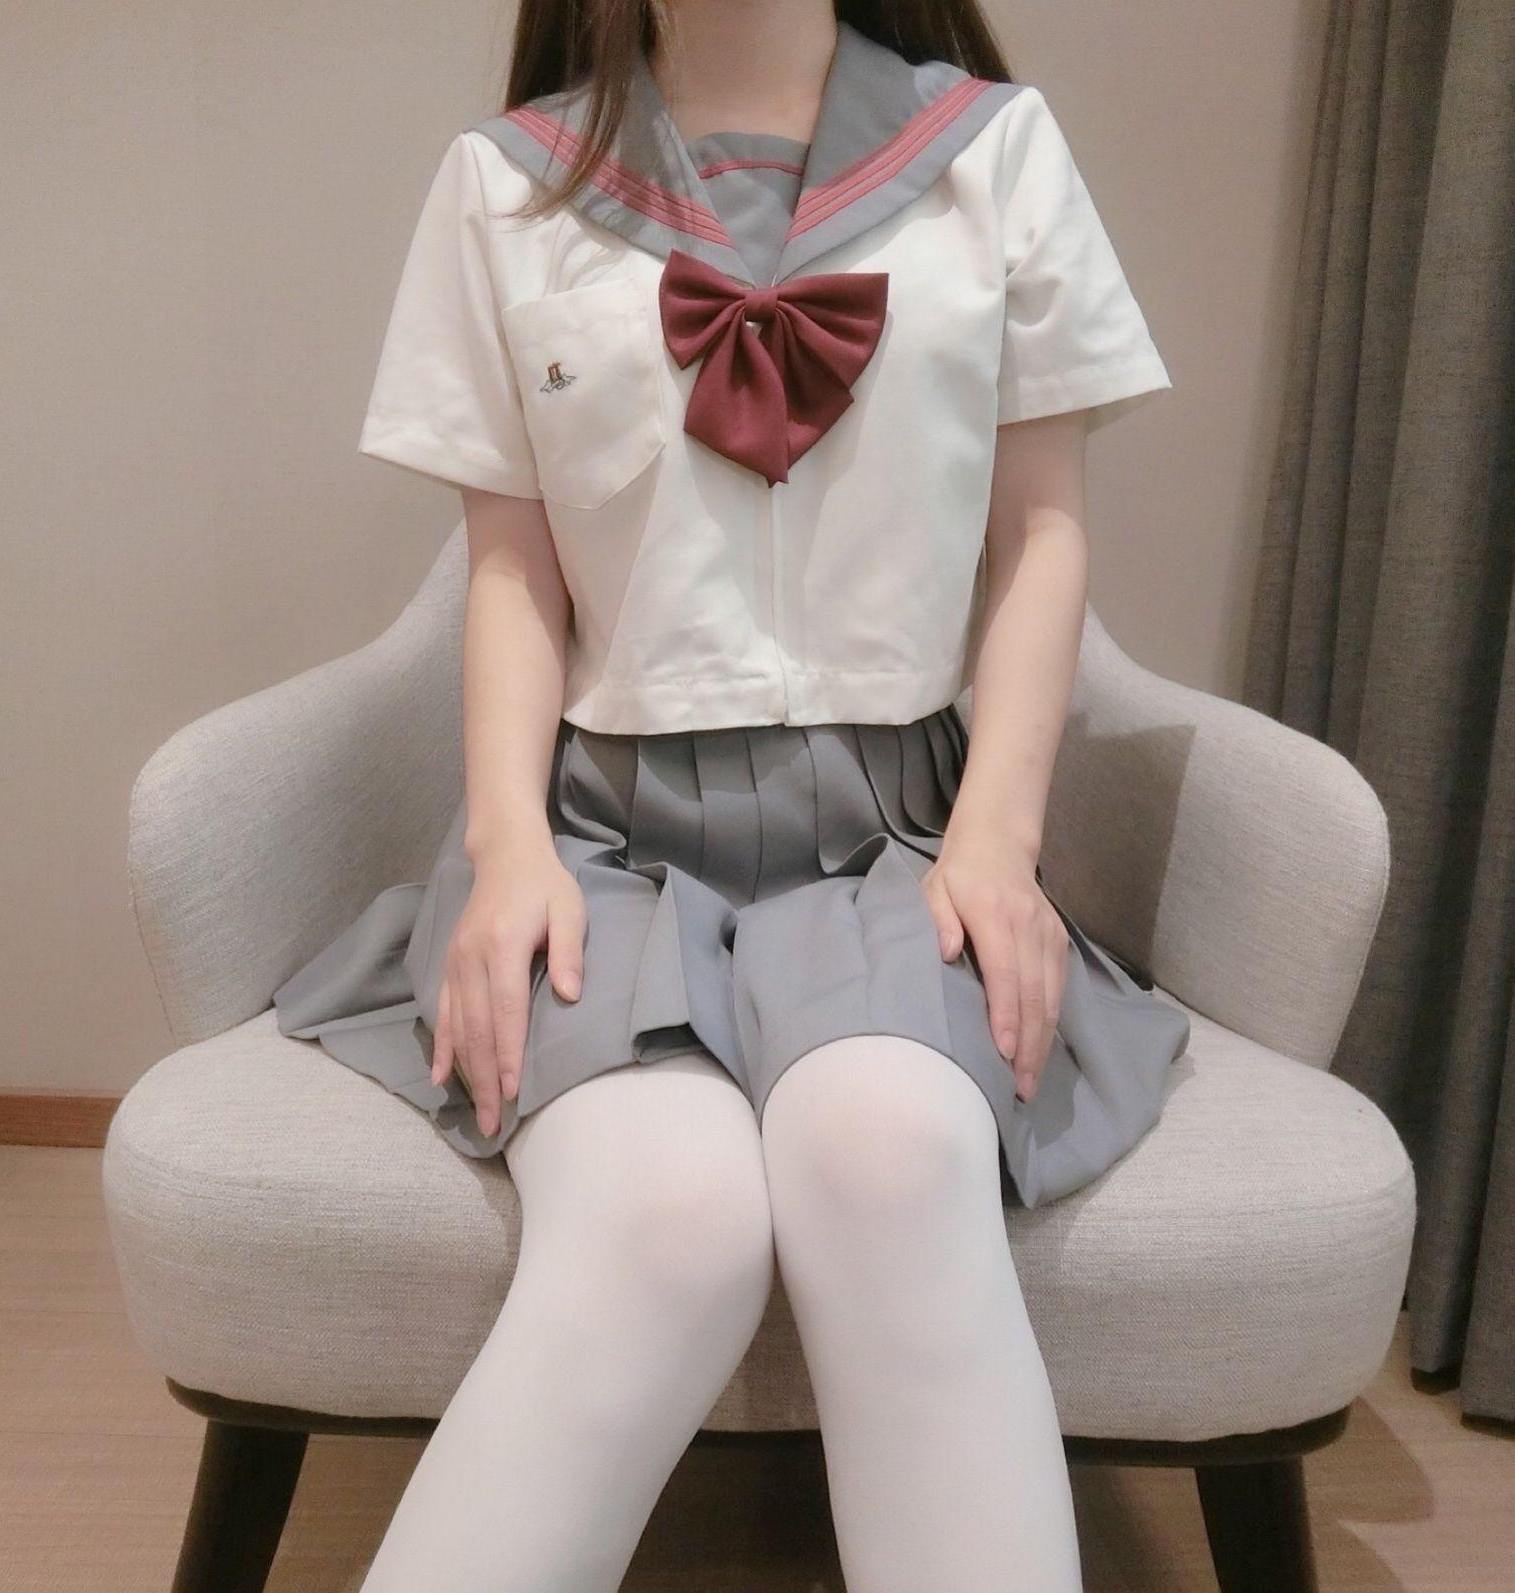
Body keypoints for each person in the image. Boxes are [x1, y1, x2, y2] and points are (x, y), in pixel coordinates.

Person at [273, 1, 1192, 1587]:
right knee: (666, 1216)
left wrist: (998, 838)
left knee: (891, 1154)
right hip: (605, 840)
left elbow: (1041, 532)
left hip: (899, 838)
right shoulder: (507, 185)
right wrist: (506, 847)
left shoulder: (996, 156)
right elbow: (512, 570)